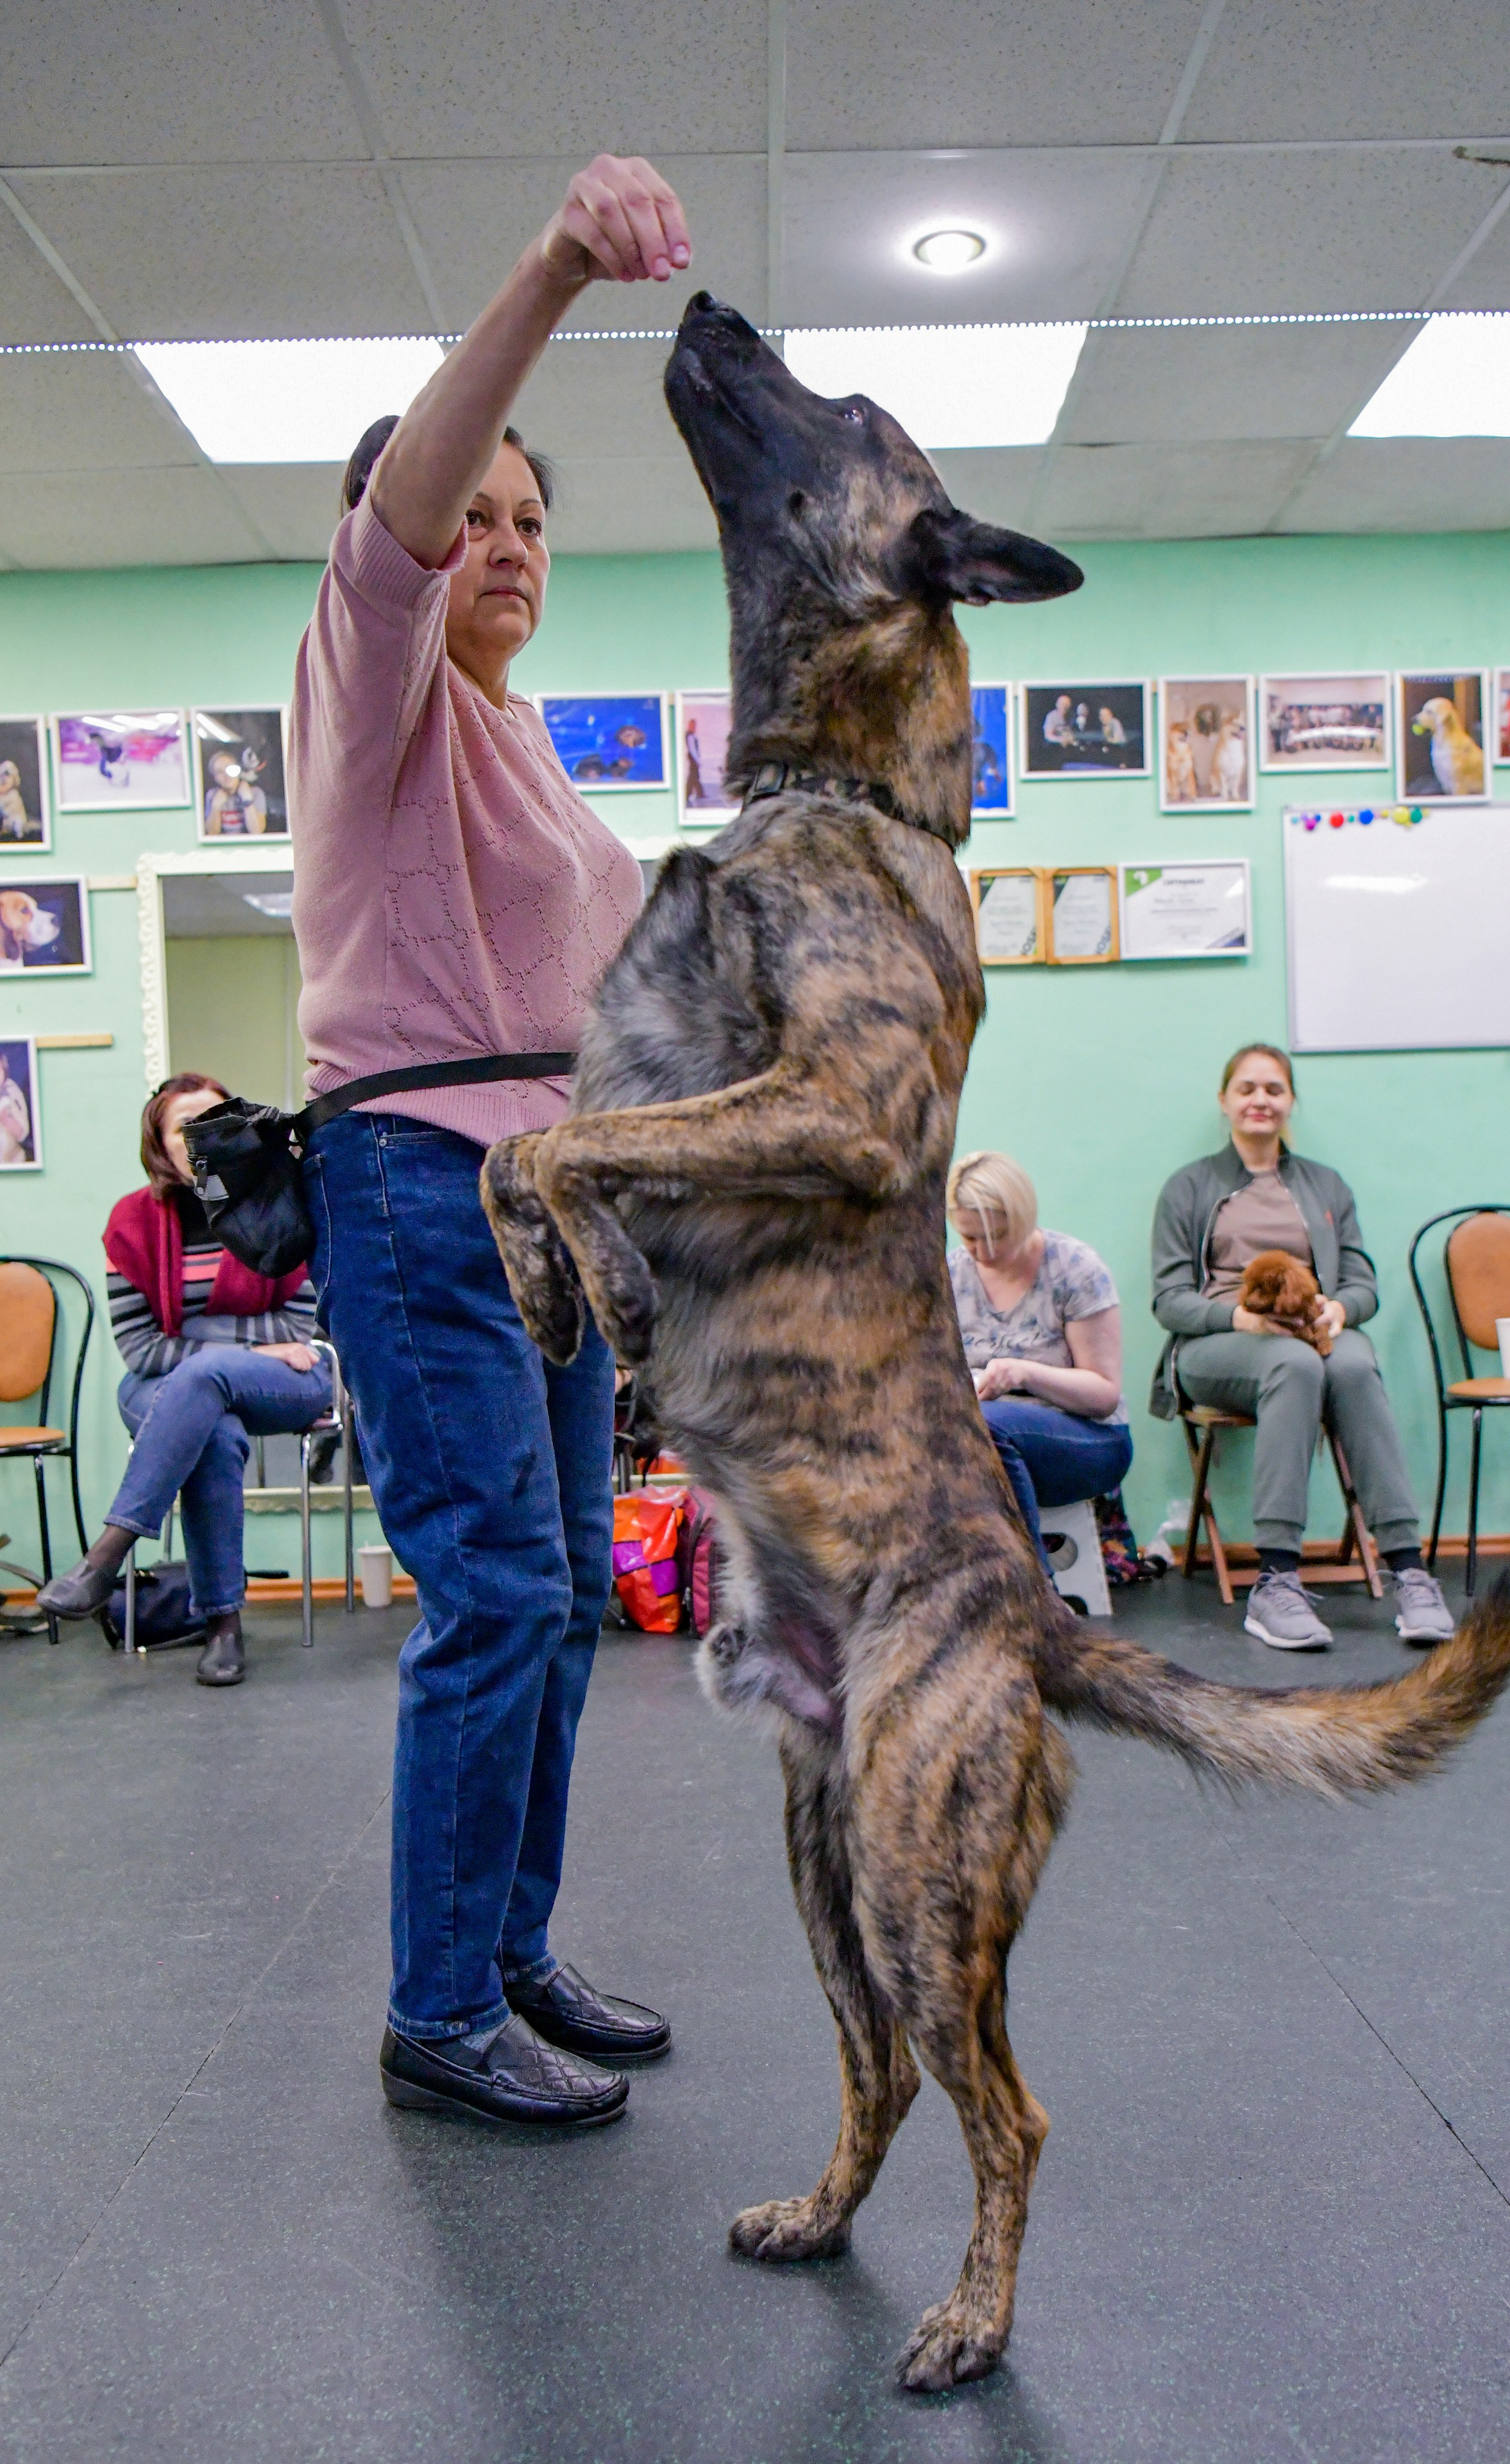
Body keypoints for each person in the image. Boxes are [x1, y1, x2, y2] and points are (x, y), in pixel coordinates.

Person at [289, 154, 691, 2134]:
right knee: (499, 1595)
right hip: (417, 1176)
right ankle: (435, 2003)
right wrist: (551, 264)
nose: (507, 543)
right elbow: (397, 525)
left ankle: (508, 1949)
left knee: (566, 1599)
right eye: (480, 516)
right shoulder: (372, 693)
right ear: (417, 534)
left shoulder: (530, 745)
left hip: (552, 1211)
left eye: (538, 521)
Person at [1150, 1042, 1454, 1651]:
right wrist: (1238, 1317)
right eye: (1247, 1088)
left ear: (1291, 1102)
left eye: (1273, 1089)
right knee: (1291, 1362)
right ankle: (1276, 1581)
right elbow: (1168, 1300)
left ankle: (1410, 1569)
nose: (1260, 1100)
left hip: (1313, 1329)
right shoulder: (1189, 1186)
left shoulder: (1324, 1185)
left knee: (1357, 1364)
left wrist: (1341, 1310)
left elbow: (1363, 1282)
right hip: (1216, 1344)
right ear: (1224, 1101)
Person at [37, 1073, 331, 1686]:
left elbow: (301, 1327)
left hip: (289, 1382)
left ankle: (104, 1558)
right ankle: (223, 1625)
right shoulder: (130, 1223)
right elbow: (140, 1349)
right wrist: (252, 1346)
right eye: (185, 1126)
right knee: (213, 1429)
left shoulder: (275, 1200)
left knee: (205, 1379)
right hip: (168, 1383)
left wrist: (229, 1351)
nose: (203, 1137)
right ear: (160, 1146)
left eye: (215, 1120)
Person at [947, 1151, 1133, 1563]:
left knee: (986, 1426)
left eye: (996, 1236)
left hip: (1091, 1440)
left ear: (1023, 1217)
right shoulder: (952, 1275)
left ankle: (1033, 1594)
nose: (982, 1251)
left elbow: (1103, 1395)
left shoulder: (1076, 1270)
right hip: (988, 1437)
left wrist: (1022, 1373)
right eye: (968, 1237)